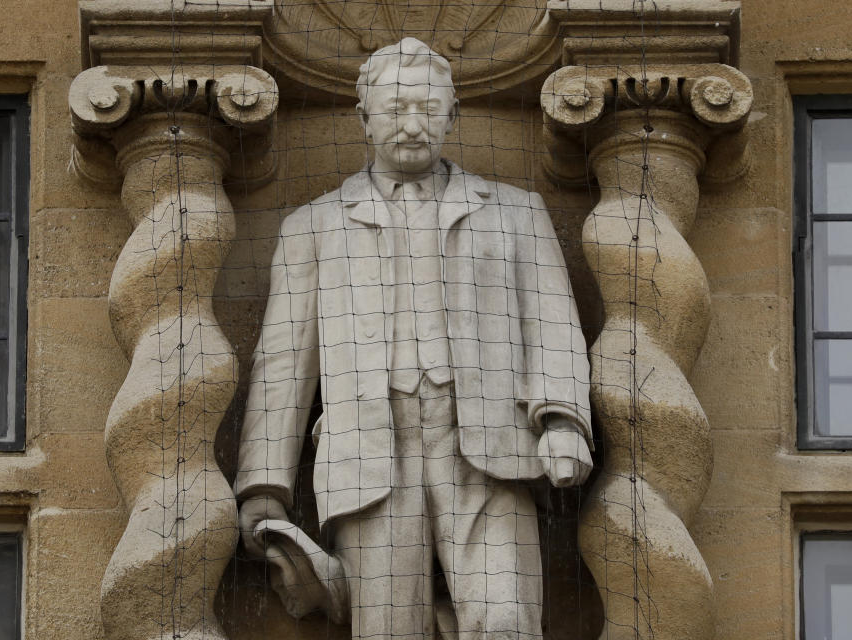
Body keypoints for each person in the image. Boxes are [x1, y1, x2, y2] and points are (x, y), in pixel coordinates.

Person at [237, 37, 592, 640]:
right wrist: (263, 483)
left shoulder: (515, 212)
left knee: (507, 621)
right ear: (364, 118)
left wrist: (564, 420)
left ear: (453, 116)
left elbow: (553, 323)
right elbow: (282, 363)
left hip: (491, 445)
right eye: (396, 108)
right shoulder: (313, 227)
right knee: (387, 631)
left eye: (429, 108)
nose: (412, 124)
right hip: (369, 454)